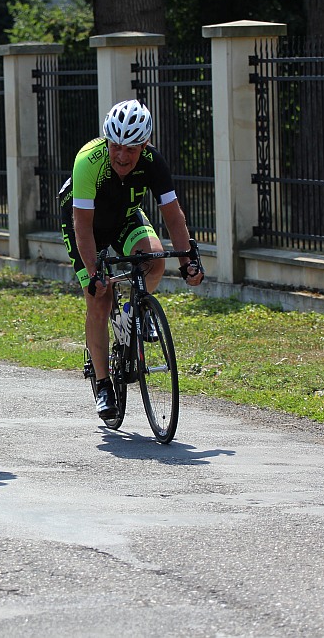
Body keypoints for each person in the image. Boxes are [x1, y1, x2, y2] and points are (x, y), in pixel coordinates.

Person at [60, 99, 204, 422]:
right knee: (99, 297)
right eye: (116, 147)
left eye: (132, 149)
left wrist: (187, 262)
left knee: (154, 259)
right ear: (107, 141)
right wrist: (94, 273)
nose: (122, 156)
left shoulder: (153, 162)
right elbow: (82, 226)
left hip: (124, 217)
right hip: (86, 224)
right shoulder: (88, 161)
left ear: (145, 145)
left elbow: (173, 216)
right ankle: (102, 384)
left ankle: (132, 312)